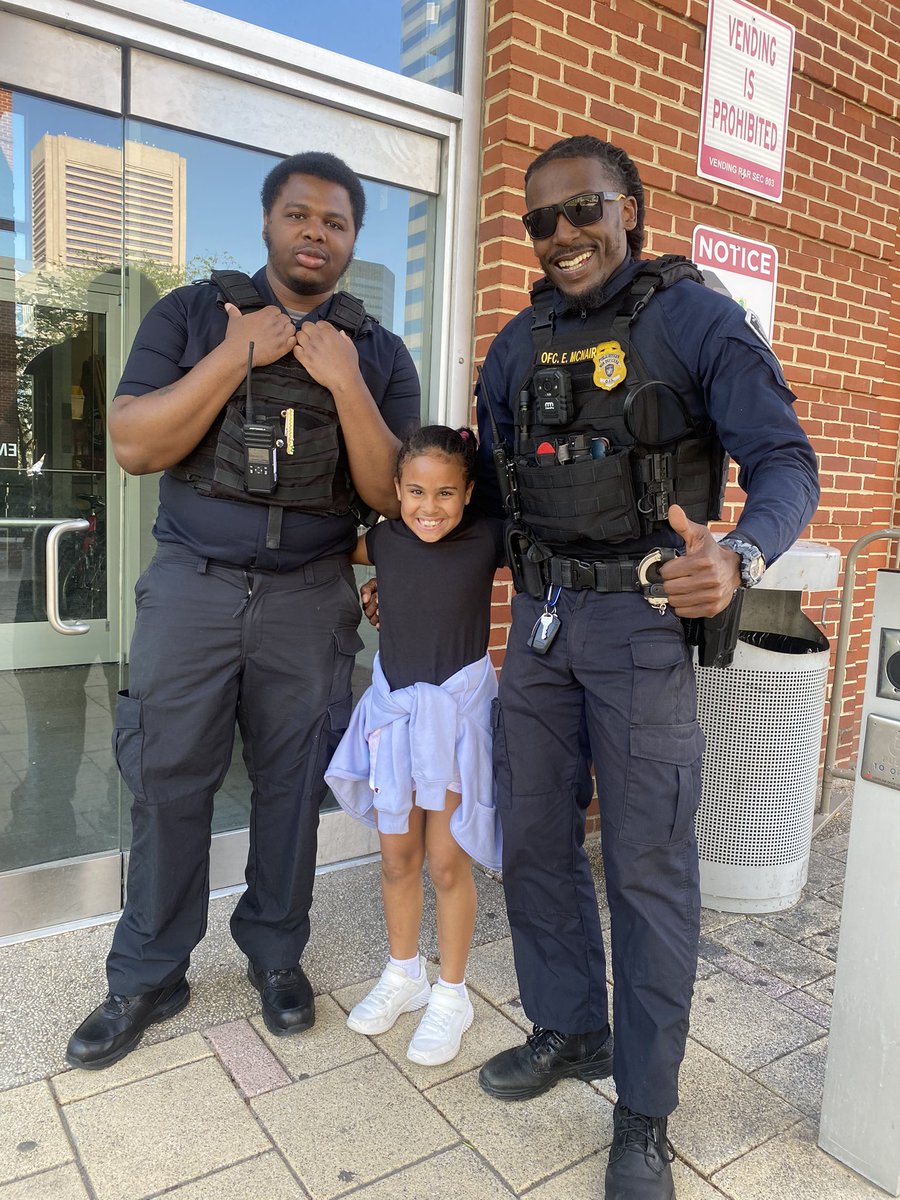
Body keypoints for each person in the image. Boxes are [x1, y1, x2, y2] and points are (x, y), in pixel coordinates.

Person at [472, 135, 819, 1200]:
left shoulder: (696, 319)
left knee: (648, 872)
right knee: (532, 844)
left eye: (583, 211)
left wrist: (742, 552)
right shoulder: (514, 344)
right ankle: (572, 1028)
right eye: (542, 221)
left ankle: (645, 1114)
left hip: (639, 628)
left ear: (632, 208)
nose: (564, 236)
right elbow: (490, 493)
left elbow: (787, 463)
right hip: (537, 624)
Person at [66, 151, 420, 1070]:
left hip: (311, 597)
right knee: (167, 774)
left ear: (352, 240)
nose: (316, 233)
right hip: (194, 584)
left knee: (294, 785)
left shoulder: (377, 351)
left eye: (336, 222)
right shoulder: (191, 314)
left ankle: (275, 955)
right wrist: (236, 354)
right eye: (299, 215)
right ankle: (148, 971)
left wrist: (342, 379)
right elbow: (135, 443)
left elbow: (391, 494)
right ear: (268, 223)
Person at [326, 425, 504, 1066]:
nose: (430, 507)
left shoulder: (488, 539)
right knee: (397, 857)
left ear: (468, 494)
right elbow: (322, 551)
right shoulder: (383, 542)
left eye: (446, 493)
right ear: (396, 490)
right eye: (416, 491)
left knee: (446, 861)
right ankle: (405, 973)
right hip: (395, 717)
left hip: (454, 719)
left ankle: (453, 994)